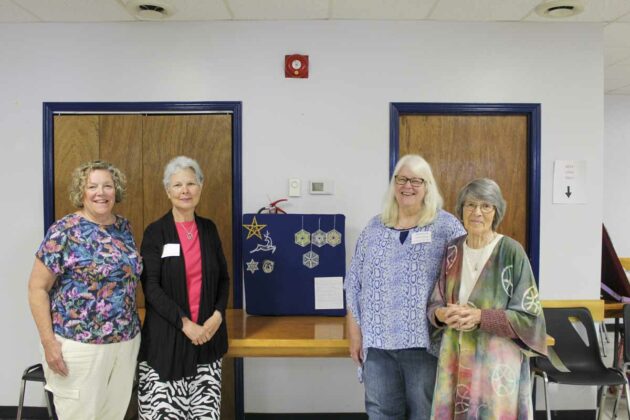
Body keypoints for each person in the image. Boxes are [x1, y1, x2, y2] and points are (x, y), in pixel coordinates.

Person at [345, 154, 466, 419]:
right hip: (377, 345)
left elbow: (463, 277)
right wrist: (355, 333)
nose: (407, 186)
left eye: (416, 180)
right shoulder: (374, 228)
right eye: (401, 179)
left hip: (423, 344)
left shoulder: (446, 227)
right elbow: (353, 282)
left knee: (424, 413)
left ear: (428, 186)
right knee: (381, 413)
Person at [28, 160, 141, 420]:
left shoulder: (123, 228)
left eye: (107, 186)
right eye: (93, 186)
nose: (101, 193)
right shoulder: (64, 231)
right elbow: (37, 289)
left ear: (116, 191)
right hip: (79, 346)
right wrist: (48, 343)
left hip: (124, 344)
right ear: (82, 192)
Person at [427, 178, 547, 419]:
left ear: (496, 212)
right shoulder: (453, 250)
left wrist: (481, 317)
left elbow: (529, 316)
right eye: (470, 205)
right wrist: (442, 314)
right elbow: (435, 303)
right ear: (461, 210)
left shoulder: (512, 252)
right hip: (456, 358)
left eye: (486, 206)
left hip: (497, 366)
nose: (477, 212)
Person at [138, 156, 229, 419]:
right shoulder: (156, 232)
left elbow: (224, 279)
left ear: (201, 187)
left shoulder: (209, 229)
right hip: (167, 342)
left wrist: (217, 316)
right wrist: (185, 323)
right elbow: (151, 287)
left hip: (207, 340)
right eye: (177, 185)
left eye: (191, 183)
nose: (185, 190)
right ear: (168, 191)